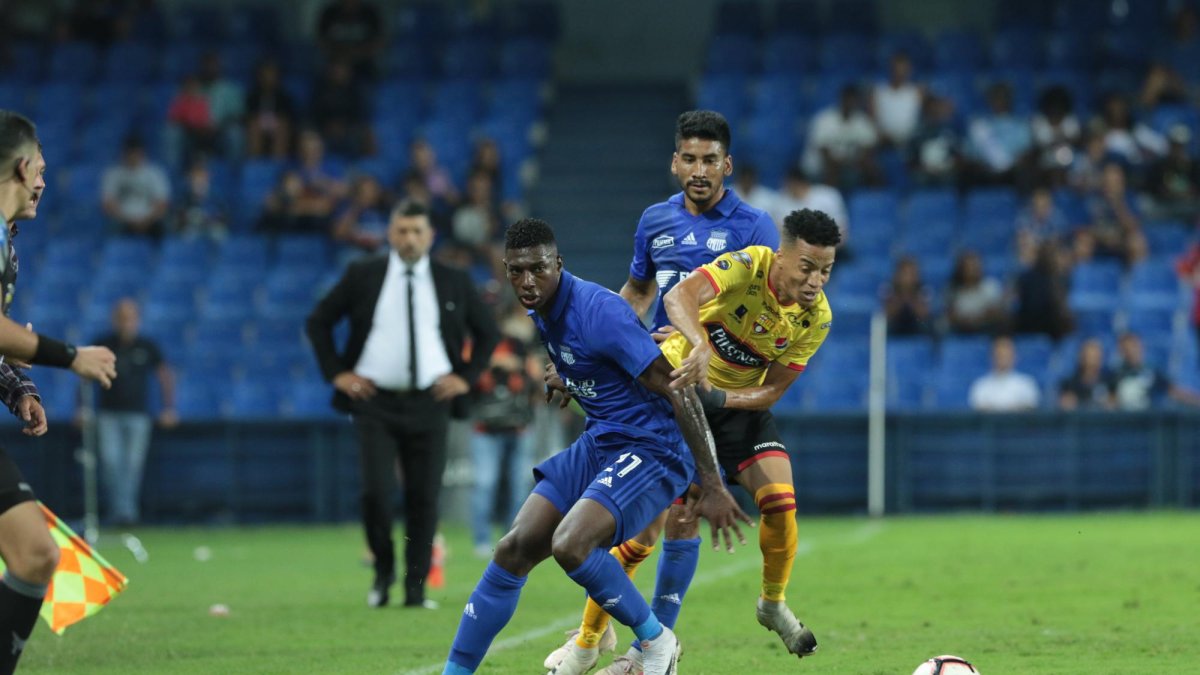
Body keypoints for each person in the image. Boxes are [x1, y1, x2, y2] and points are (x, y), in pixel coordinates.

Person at [442, 218, 750, 675]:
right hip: (603, 438)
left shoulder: (598, 312)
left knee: (572, 544)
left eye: (538, 268)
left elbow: (678, 388)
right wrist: (571, 376)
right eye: (516, 271)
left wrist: (712, 481)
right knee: (514, 548)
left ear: (558, 264)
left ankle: (657, 644)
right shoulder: (541, 307)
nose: (527, 281)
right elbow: (595, 363)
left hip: (652, 445)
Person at [548, 210, 841, 675]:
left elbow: (773, 390)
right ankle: (588, 642)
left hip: (735, 404)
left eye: (825, 270)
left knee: (781, 502)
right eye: (807, 267)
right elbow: (679, 295)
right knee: (648, 532)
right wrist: (699, 343)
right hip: (679, 395)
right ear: (782, 256)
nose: (815, 281)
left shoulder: (817, 317)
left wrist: (722, 396)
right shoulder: (748, 265)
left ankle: (772, 603)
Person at [544, 110, 777, 672]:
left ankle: (635, 644)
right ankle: (608, 640)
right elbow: (637, 292)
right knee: (633, 520)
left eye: (710, 160)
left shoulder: (755, 227)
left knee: (679, 514)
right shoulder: (654, 220)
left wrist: (702, 341)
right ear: (675, 162)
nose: (699, 170)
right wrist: (593, 347)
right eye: (689, 159)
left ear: (727, 165)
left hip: (712, 386)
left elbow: (765, 316)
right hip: (655, 383)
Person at [306, 199, 499, 610]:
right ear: (390, 234)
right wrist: (338, 373)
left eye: (417, 231)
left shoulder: (452, 279)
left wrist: (463, 378)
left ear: (430, 236)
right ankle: (382, 573)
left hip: (431, 402)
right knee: (376, 494)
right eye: (402, 231)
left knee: (424, 498)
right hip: (374, 402)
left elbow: (487, 332)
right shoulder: (363, 274)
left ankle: (416, 588)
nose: (409, 239)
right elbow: (318, 321)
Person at [0, 109, 118, 673]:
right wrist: (70, 356)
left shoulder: (6, 241)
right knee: (34, 552)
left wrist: (16, 387)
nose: (44, 182)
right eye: (42, 170)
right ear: (23, 167)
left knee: (36, 553)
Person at [85, 299, 177, 526]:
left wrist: (168, 408)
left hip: (138, 415)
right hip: (108, 413)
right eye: (122, 318)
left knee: (133, 465)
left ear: (137, 320)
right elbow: (85, 376)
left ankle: (125, 513)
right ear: (114, 320)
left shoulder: (147, 346)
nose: (126, 323)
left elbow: (165, 375)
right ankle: (122, 512)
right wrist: (82, 407)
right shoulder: (103, 344)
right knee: (110, 462)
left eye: (130, 318)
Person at [468, 307, 539, 558]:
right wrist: (495, 363)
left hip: (519, 426)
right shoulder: (479, 345)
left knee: (519, 485)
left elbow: (537, 381)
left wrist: (522, 365)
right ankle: (481, 540)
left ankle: (513, 539)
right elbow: (467, 375)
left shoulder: (523, 347)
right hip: (486, 427)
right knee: (485, 483)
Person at [802, 84, 881, 190]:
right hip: (818, 169)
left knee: (872, 167)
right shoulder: (824, 119)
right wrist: (845, 163)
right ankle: (828, 197)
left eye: (853, 101)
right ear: (841, 100)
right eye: (847, 100)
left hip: (847, 167)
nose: (850, 104)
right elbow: (825, 154)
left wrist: (855, 162)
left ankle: (873, 197)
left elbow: (869, 149)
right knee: (832, 168)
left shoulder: (861, 121)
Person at [101, 135, 171, 238]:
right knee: (111, 226)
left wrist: (146, 220)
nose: (133, 156)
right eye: (130, 153)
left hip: (149, 220)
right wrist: (128, 220)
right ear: (124, 154)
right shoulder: (113, 174)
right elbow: (108, 204)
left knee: (164, 226)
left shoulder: (155, 173)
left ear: (142, 154)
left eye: (136, 153)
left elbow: (162, 204)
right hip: (122, 220)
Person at [1110, 332, 1200, 410]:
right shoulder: (1116, 374)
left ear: (1141, 347)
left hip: (1150, 419)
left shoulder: (1152, 371)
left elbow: (1174, 391)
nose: (1132, 351)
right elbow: (1110, 401)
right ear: (1121, 351)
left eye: (1134, 346)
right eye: (1127, 349)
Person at [770, 166, 849, 248]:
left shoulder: (828, 195)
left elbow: (842, 231)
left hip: (827, 248)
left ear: (802, 182)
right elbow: (779, 234)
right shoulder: (779, 201)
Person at [968, 335, 1041, 412]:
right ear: (992, 356)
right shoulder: (980, 385)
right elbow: (979, 410)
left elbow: (1030, 409)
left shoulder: (1027, 384)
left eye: (1006, 354)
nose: (1003, 358)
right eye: (999, 354)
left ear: (1015, 356)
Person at [944, 251, 1006, 335]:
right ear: (961, 269)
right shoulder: (952, 290)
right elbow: (950, 314)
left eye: (975, 266)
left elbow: (996, 312)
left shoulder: (991, 286)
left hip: (987, 329)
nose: (972, 270)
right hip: (959, 330)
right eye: (968, 267)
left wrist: (978, 319)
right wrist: (966, 320)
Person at [1058, 338, 1114, 411]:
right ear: (1081, 358)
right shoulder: (1070, 384)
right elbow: (1065, 405)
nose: (1093, 361)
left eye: (1096, 356)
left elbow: (1114, 404)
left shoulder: (1110, 381)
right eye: (1089, 356)